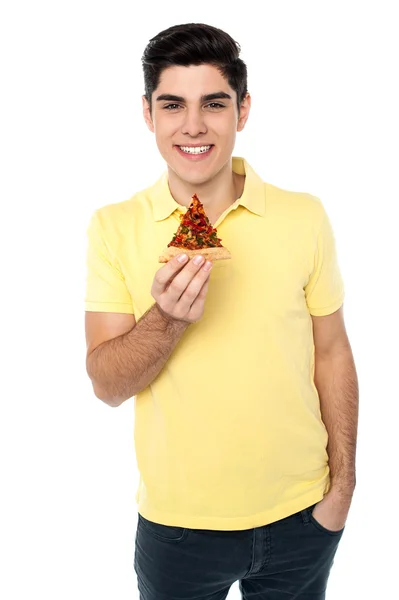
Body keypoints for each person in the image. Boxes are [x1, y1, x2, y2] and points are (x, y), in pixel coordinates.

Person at [84, 22, 359, 600]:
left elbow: (332, 351)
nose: (193, 125)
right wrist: (169, 318)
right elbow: (107, 385)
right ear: (147, 113)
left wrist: (341, 491)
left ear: (243, 110)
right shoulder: (113, 227)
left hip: (303, 518)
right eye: (172, 105)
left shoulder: (304, 216)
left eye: (214, 103)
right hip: (177, 529)